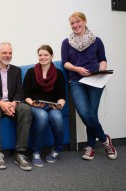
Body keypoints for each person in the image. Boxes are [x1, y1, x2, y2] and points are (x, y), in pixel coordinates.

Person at [61, 12, 117, 160]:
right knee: (85, 113)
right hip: (76, 81)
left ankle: (90, 147)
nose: (75, 25)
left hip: (95, 80)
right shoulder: (66, 42)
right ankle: (105, 140)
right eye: (72, 23)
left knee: (92, 114)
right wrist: (77, 69)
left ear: (85, 21)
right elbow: (65, 62)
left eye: (77, 21)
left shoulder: (97, 40)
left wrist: (101, 69)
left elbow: (103, 59)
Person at [0, 42, 33, 171]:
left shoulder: (16, 70)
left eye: (10, 53)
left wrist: (14, 104)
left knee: (26, 109)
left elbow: (20, 92)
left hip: (12, 103)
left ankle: (20, 153)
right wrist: (1, 103)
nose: (7, 55)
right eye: (4, 52)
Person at [23, 45, 66, 167]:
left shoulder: (59, 73)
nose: (42, 57)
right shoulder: (31, 72)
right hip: (35, 105)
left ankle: (57, 149)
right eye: (40, 55)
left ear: (52, 56)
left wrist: (59, 105)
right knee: (42, 117)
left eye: (46, 55)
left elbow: (62, 96)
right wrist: (32, 103)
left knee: (57, 118)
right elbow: (25, 94)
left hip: (52, 106)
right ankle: (36, 152)